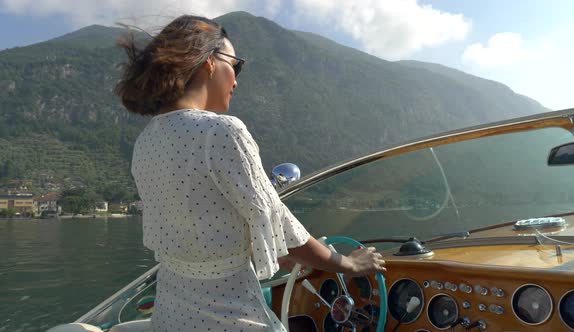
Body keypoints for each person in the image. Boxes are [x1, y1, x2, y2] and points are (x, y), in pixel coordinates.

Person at [116, 15, 386, 332]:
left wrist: (274, 254)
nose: (237, 80)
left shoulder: (146, 142)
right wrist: (349, 263)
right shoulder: (221, 131)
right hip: (234, 321)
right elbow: (280, 226)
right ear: (209, 63)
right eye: (236, 65)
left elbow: (202, 231)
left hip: (170, 319)